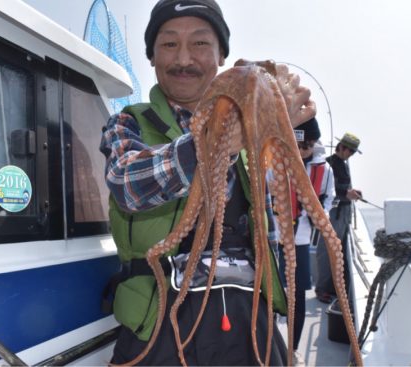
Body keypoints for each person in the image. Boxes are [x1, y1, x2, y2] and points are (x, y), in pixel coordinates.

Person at [100, 0, 315, 365]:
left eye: (200, 43)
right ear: (151, 56)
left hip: (248, 323)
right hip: (158, 325)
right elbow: (126, 184)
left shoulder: (250, 137)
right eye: (168, 44)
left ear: (221, 56)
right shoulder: (128, 123)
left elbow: (269, 234)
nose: (183, 58)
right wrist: (217, 140)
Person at [275, 117, 335, 366]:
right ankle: (268, 347)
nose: (300, 151)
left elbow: (328, 200)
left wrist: (320, 217)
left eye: (306, 145)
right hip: (272, 239)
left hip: (299, 241)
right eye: (295, 144)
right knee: (268, 295)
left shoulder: (325, 169)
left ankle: (293, 351)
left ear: (313, 143)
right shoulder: (273, 160)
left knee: (297, 297)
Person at [315, 132, 362, 304]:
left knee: (337, 251)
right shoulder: (330, 164)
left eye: (354, 152)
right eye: (351, 151)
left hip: (343, 214)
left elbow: (341, 188)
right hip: (334, 214)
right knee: (327, 251)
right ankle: (322, 289)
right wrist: (346, 193)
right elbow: (326, 191)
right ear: (342, 147)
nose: (351, 154)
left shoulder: (342, 163)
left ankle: (333, 287)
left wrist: (352, 192)